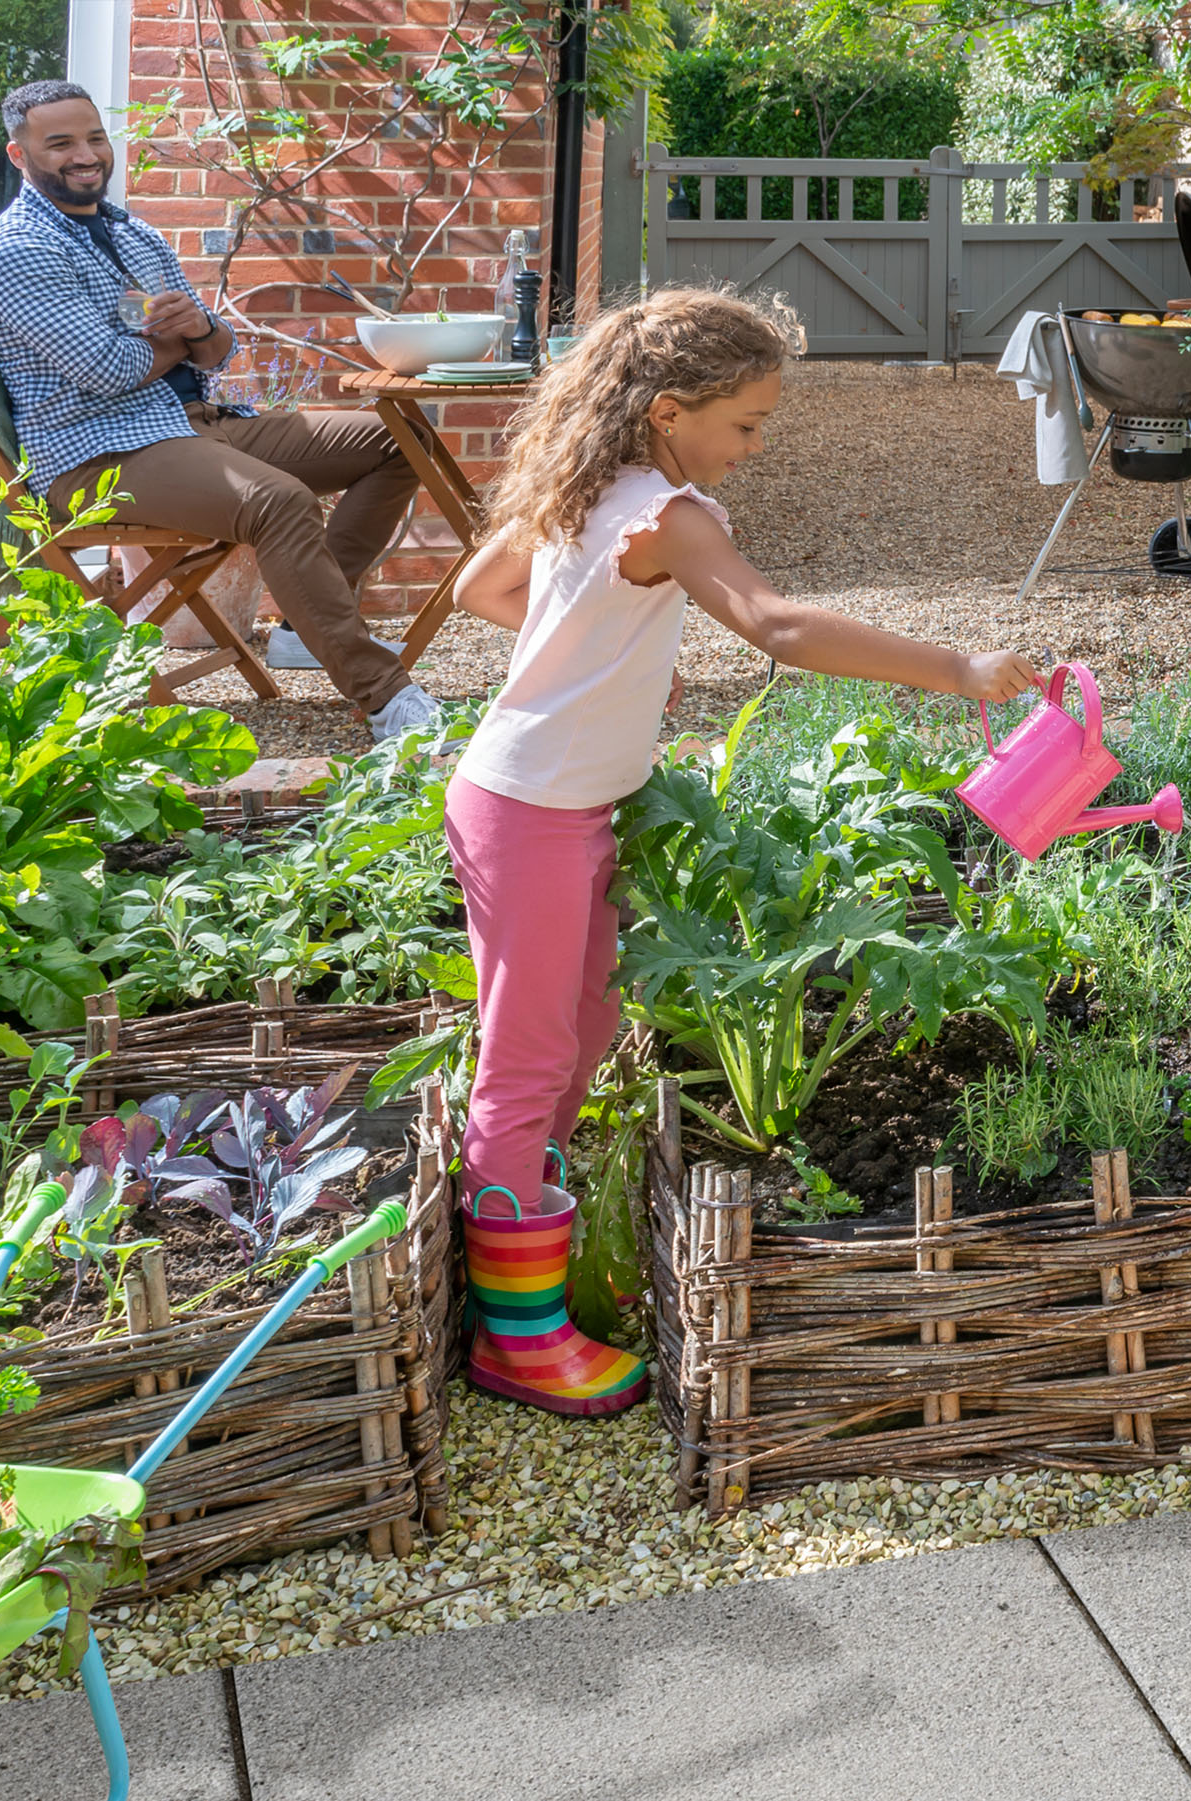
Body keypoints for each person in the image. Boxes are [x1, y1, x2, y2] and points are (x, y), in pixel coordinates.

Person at [439, 287, 1039, 1414]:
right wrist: (956, 667)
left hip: (547, 802)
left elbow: (485, 590)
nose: (755, 447)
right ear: (669, 410)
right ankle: (513, 1340)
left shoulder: (585, 479)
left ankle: (526, 1265)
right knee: (526, 1061)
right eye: (747, 424)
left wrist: (593, 650)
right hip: (528, 811)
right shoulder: (672, 512)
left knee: (585, 1031)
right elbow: (775, 626)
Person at [0, 79, 440, 741]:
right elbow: (109, 371)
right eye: (60, 142)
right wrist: (173, 338)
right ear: (20, 156)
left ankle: (306, 630)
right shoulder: (18, 252)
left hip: (188, 425)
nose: (86, 154)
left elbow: (215, 351)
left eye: (95, 137)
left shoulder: (132, 236)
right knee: (277, 500)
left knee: (402, 438)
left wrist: (192, 329)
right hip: (98, 454)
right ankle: (391, 703)